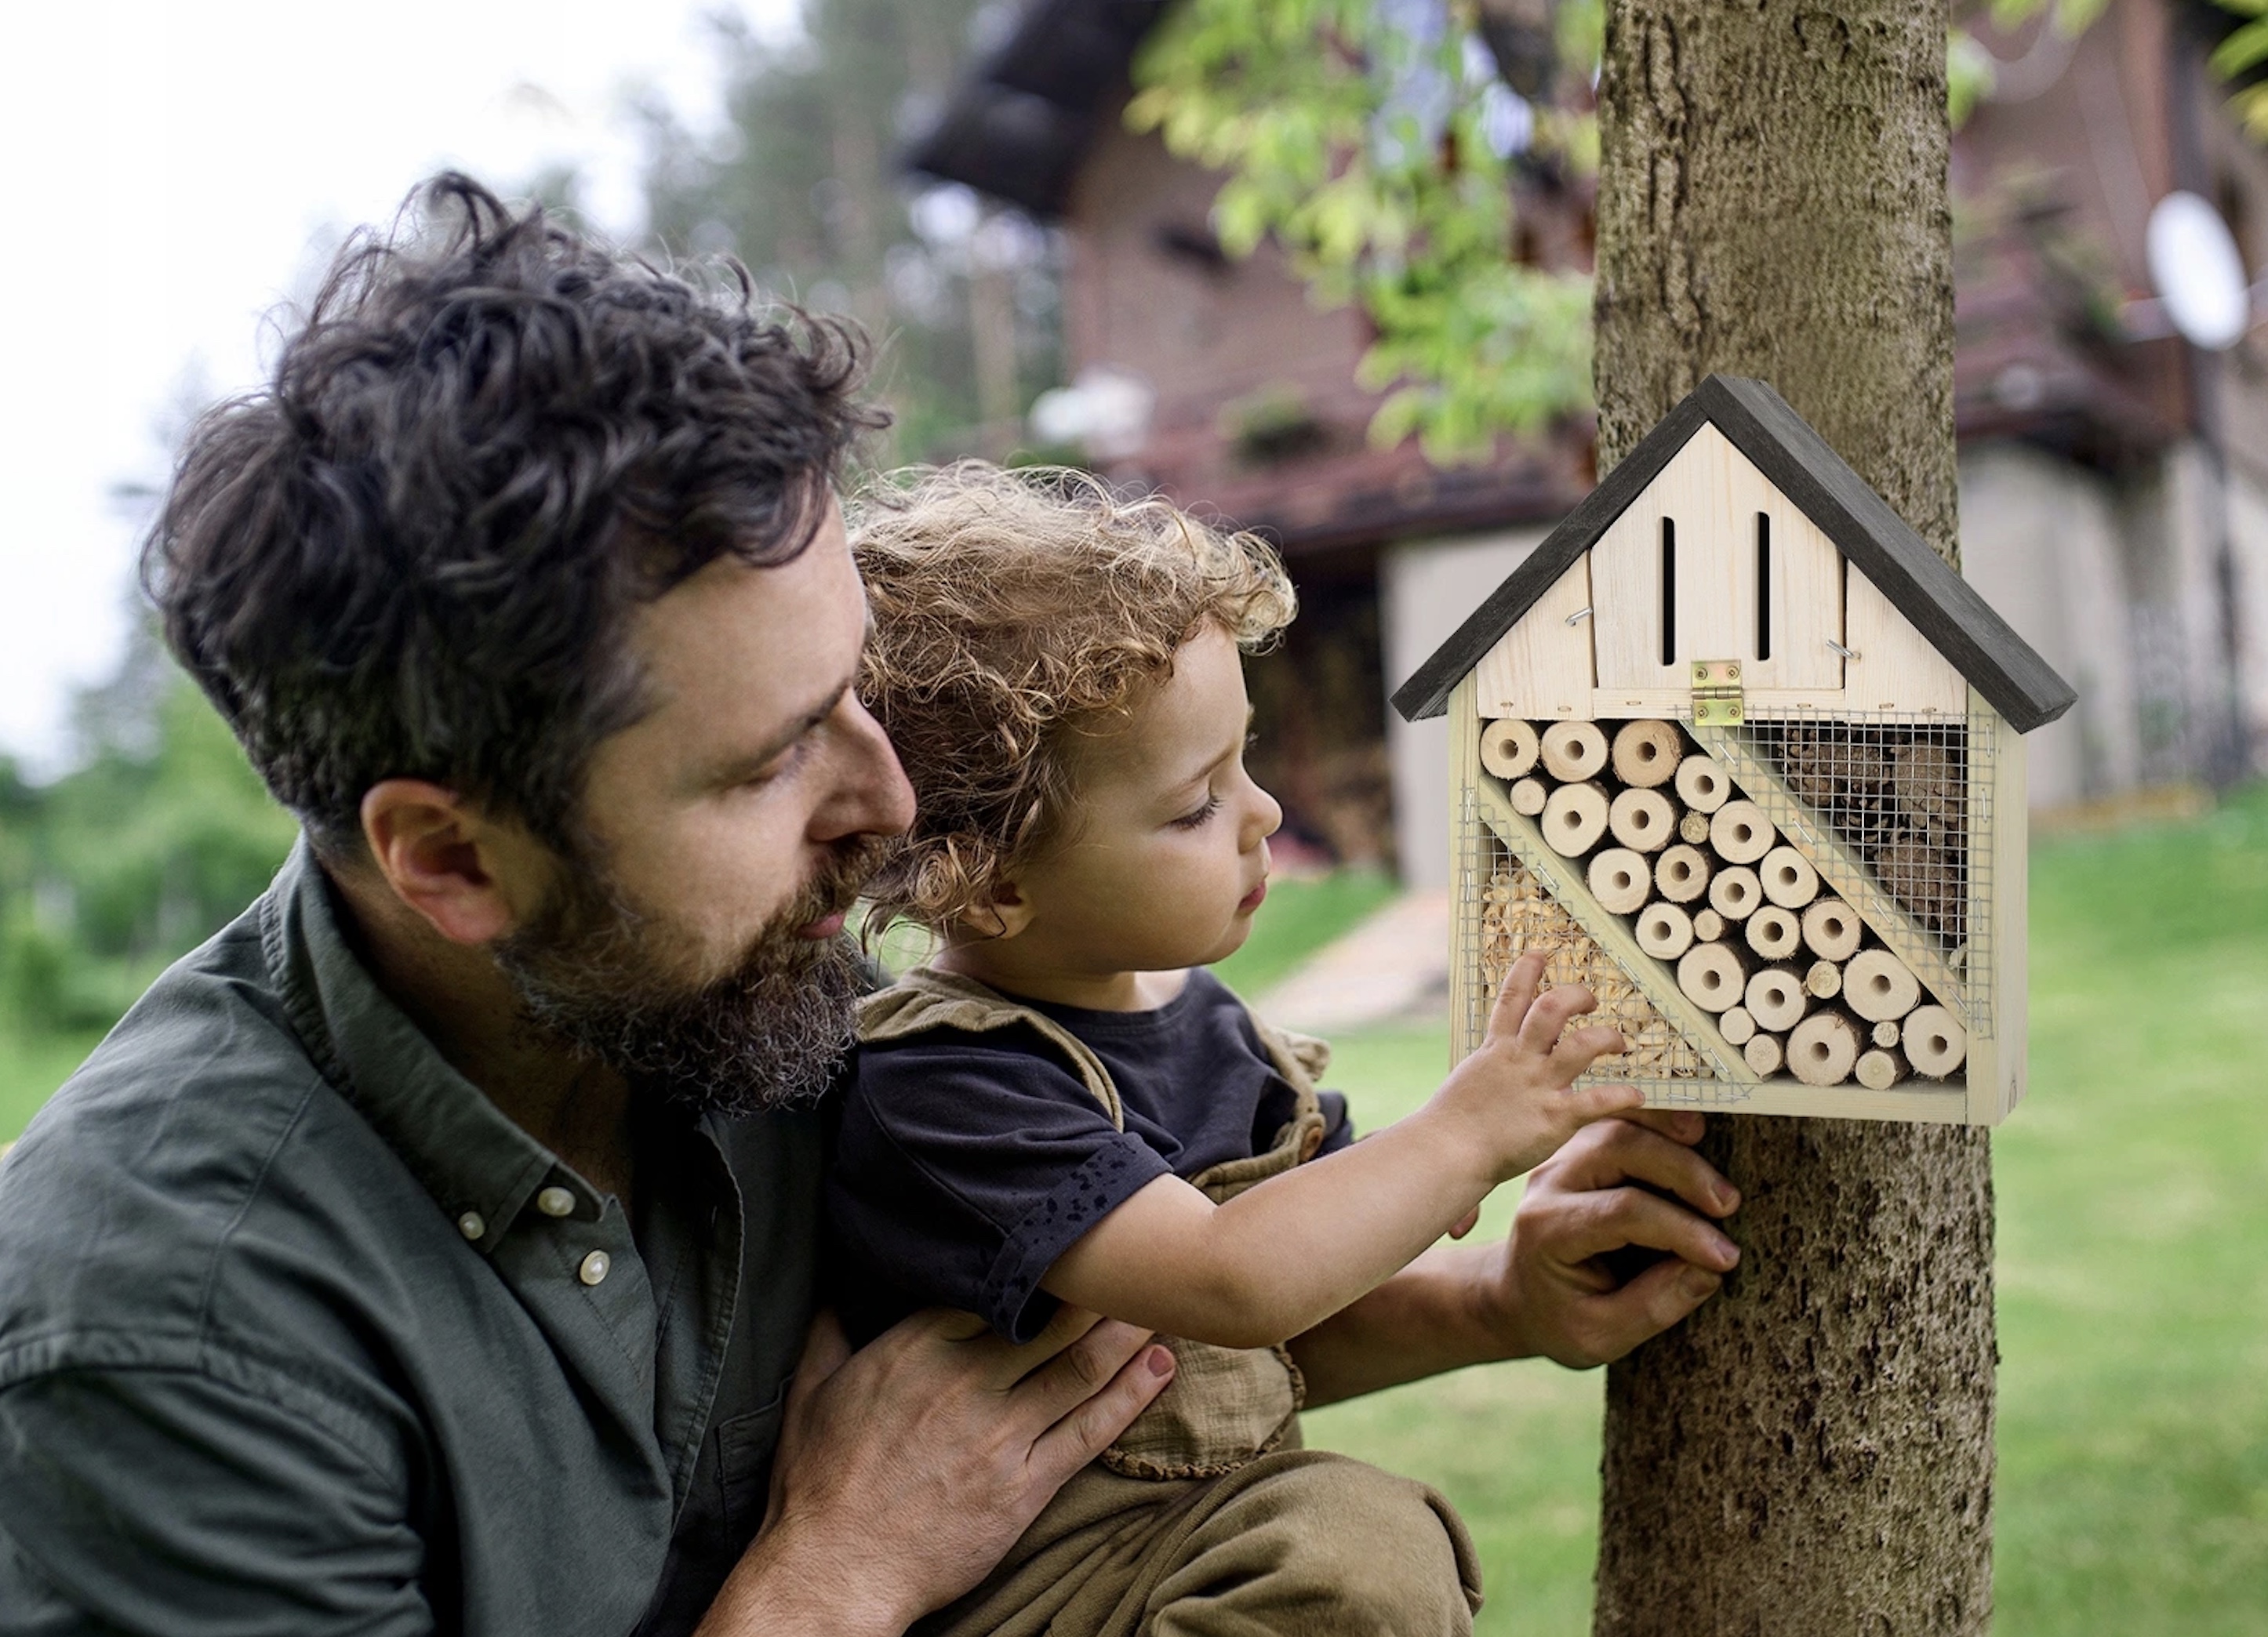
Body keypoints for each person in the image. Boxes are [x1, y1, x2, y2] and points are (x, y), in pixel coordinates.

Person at [0, 177, 1741, 1636]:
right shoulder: (171, 1345)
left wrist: (1504, 1305)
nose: (895, 812)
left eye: (863, 696)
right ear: (451, 859)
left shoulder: (768, 997)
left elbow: (1125, 1364)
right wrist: (826, 1586)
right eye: (767, 765)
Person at [834, 464, 1650, 1634]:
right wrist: (1465, 1135)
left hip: (1201, 1557)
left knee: (1354, 1552)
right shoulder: (943, 1084)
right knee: (1348, 1551)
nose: (1265, 815)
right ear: (996, 882)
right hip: (1040, 1592)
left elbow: (1297, 1322)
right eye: (1194, 806)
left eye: (1246, 763)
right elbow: (1233, 1278)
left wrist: (1503, 1298)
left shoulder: (1218, 1031)